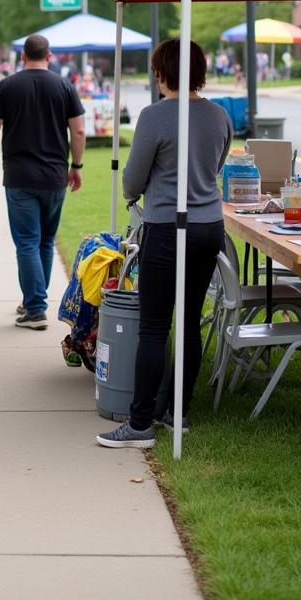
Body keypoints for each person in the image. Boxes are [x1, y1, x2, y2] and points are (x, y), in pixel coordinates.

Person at [96, 39, 232, 448]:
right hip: (210, 226)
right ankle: (179, 411)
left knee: (154, 327)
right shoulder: (219, 115)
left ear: (161, 73)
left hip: (167, 228)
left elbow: (133, 180)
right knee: (189, 321)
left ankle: (139, 424)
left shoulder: (154, 117)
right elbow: (216, 165)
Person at [0, 34, 86, 330]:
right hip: (54, 176)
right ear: (49, 56)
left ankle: (35, 307)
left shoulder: (7, 86)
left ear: (23, 56)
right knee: (45, 242)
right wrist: (76, 166)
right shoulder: (64, 86)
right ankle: (33, 301)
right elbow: (78, 132)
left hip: (20, 176)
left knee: (27, 242)